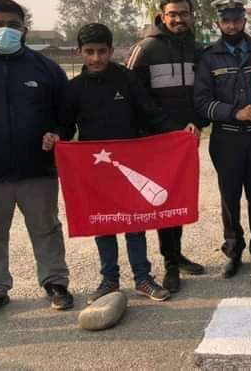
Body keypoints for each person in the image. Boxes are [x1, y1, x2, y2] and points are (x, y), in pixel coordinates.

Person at [43, 23, 196, 302]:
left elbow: (152, 114)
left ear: (111, 51)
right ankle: (109, 280)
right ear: (79, 52)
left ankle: (142, 278)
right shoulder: (73, 88)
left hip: (129, 165)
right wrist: (56, 136)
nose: (96, 58)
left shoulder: (127, 80)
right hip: (95, 169)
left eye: (102, 51)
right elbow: (65, 125)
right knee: (103, 224)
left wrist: (179, 133)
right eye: (89, 52)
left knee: (134, 222)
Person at [0, 0, 72, 321]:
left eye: (12, 25)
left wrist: (58, 133)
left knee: (46, 228)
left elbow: (66, 116)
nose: (4, 30)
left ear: (24, 29)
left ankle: (55, 282)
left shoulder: (47, 69)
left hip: (38, 169)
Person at [127, 0, 208, 293]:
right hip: (157, 140)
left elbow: (204, 93)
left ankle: (176, 254)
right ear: (162, 16)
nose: (178, 19)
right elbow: (136, 97)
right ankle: (170, 264)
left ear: (191, 16)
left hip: (187, 139)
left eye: (184, 13)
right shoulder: (145, 49)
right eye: (172, 14)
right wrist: (169, 128)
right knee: (163, 200)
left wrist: (198, 123)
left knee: (180, 198)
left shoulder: (198, 50)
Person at [193, 0, 251, 278]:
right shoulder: (208, 58)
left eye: (236, 20)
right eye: (226, 20)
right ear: (218, 23)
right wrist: (234, 112)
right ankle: (233, 251)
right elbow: (201, 102)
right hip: (226, 139)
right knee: (229, 199)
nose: (231, 25)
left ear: (244, 20)